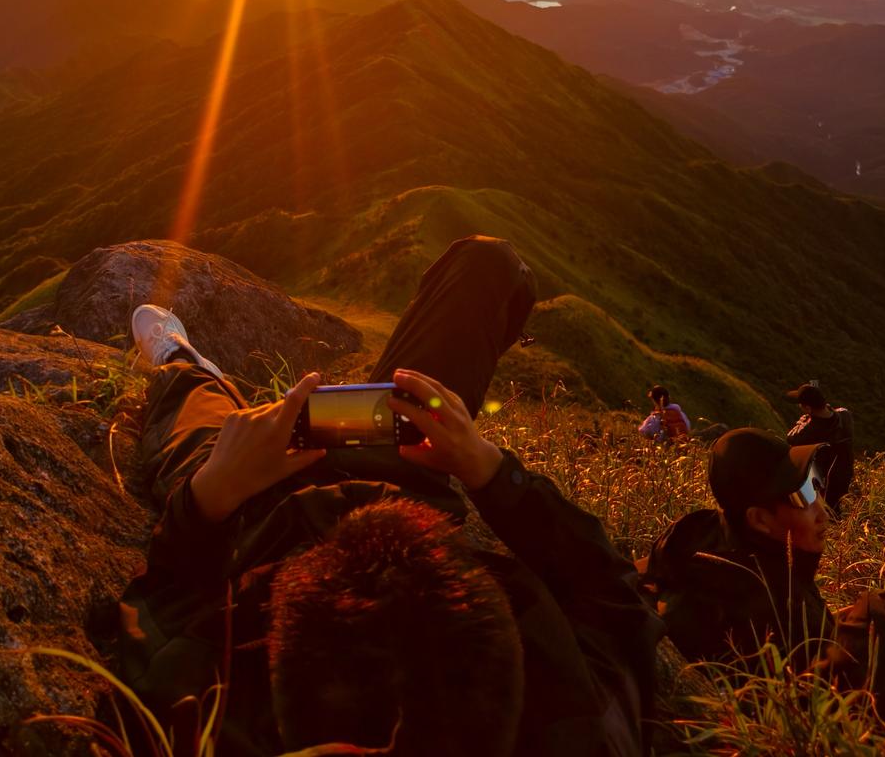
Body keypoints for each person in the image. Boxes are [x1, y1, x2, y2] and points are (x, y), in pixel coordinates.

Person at [117, 235, 662, 757]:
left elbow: (165, 594)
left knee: (201, 415)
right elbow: (616, 594)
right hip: (411, 481)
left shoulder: (193, 709)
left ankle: (183, 364)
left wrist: (213, 492)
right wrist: (488, 470)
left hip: (257, 518)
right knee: (488, 264)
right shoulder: (580, 729)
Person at [644, 428, 885, 723]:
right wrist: (876, 617)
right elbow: (820, 714)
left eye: (814, 482)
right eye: (802, 495)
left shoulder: (709, 542)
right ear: (760, 520)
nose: (822, 509)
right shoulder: (763, 613)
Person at [786, 381, 854, 513]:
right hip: (844, 477)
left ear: (808, 408)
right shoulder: (845, 415)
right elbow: (836, 412)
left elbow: (790, 438)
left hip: (820, 486)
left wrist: (804, 421)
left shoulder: (807, 434)